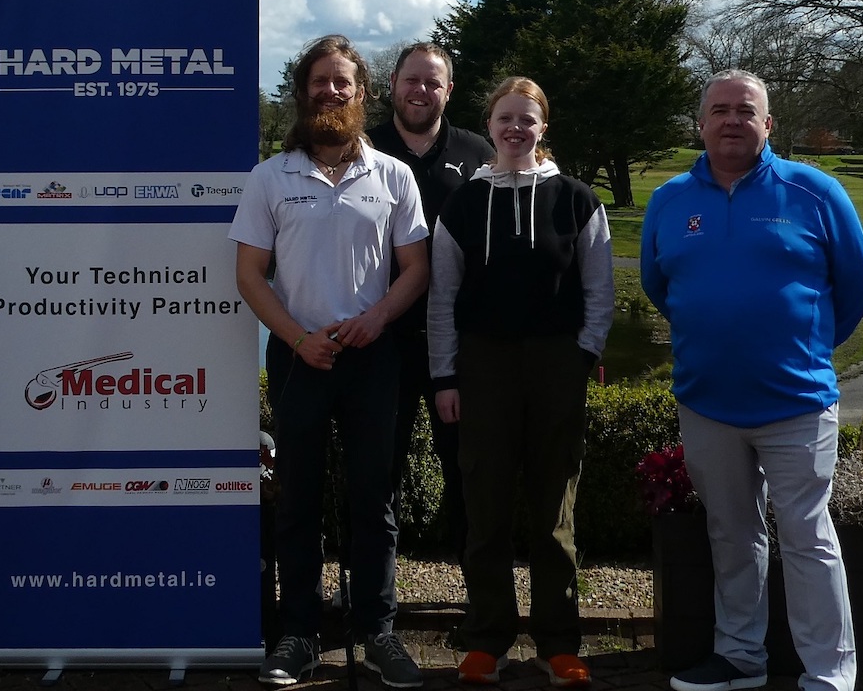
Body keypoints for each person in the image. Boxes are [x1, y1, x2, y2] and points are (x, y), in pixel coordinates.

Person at [640, 69, 863, 691]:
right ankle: (741, 658)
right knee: (731, 534)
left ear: (768, 124)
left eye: (745, 111)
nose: (732, 120)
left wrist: (804, 346)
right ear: (700, 123)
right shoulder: (669, 199)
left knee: (807, 537)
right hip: (707, 402)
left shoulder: (815, 191)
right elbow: (659, 286)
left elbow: (859, 284)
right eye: (719, 110)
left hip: (796, 402)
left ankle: (829, 673)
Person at [229, 35, 430, 688]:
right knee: (299, 500)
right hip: (300, 357)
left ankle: (377, 632)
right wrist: (296, 338)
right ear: (304, 91)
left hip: (372, 357)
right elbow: (250, 275)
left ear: (361, 93)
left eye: (343, 82)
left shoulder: (393, 175)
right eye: (321, 81)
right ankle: (300, 635)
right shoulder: (271, 176)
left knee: (374, 500)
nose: (331, 91)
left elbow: (416, 268)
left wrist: (377, 318)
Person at [427, 76, 613, 687]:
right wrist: (445, 376)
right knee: (485, 507)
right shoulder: (463, 203)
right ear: (489, 125)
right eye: (505, 118)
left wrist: (582, 355)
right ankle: (488, 639)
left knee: (555, 509)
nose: (515, 129)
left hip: (557, 364)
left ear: (542, 127)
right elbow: (442, 297)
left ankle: (558, 642)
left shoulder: (576, 199)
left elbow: (599, 288)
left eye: (526, 119)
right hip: (483, 366)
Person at [366, 41, 493, 564]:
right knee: (377, 472)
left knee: (466, 470)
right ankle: (374, 598)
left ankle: (476, 594)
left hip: (457, 342)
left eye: (432, 82)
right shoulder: (361, 150)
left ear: (449, 90)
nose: (421, 91)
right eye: (411, 80)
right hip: (379, 337)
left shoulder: (479, 154)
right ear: (392, 85)